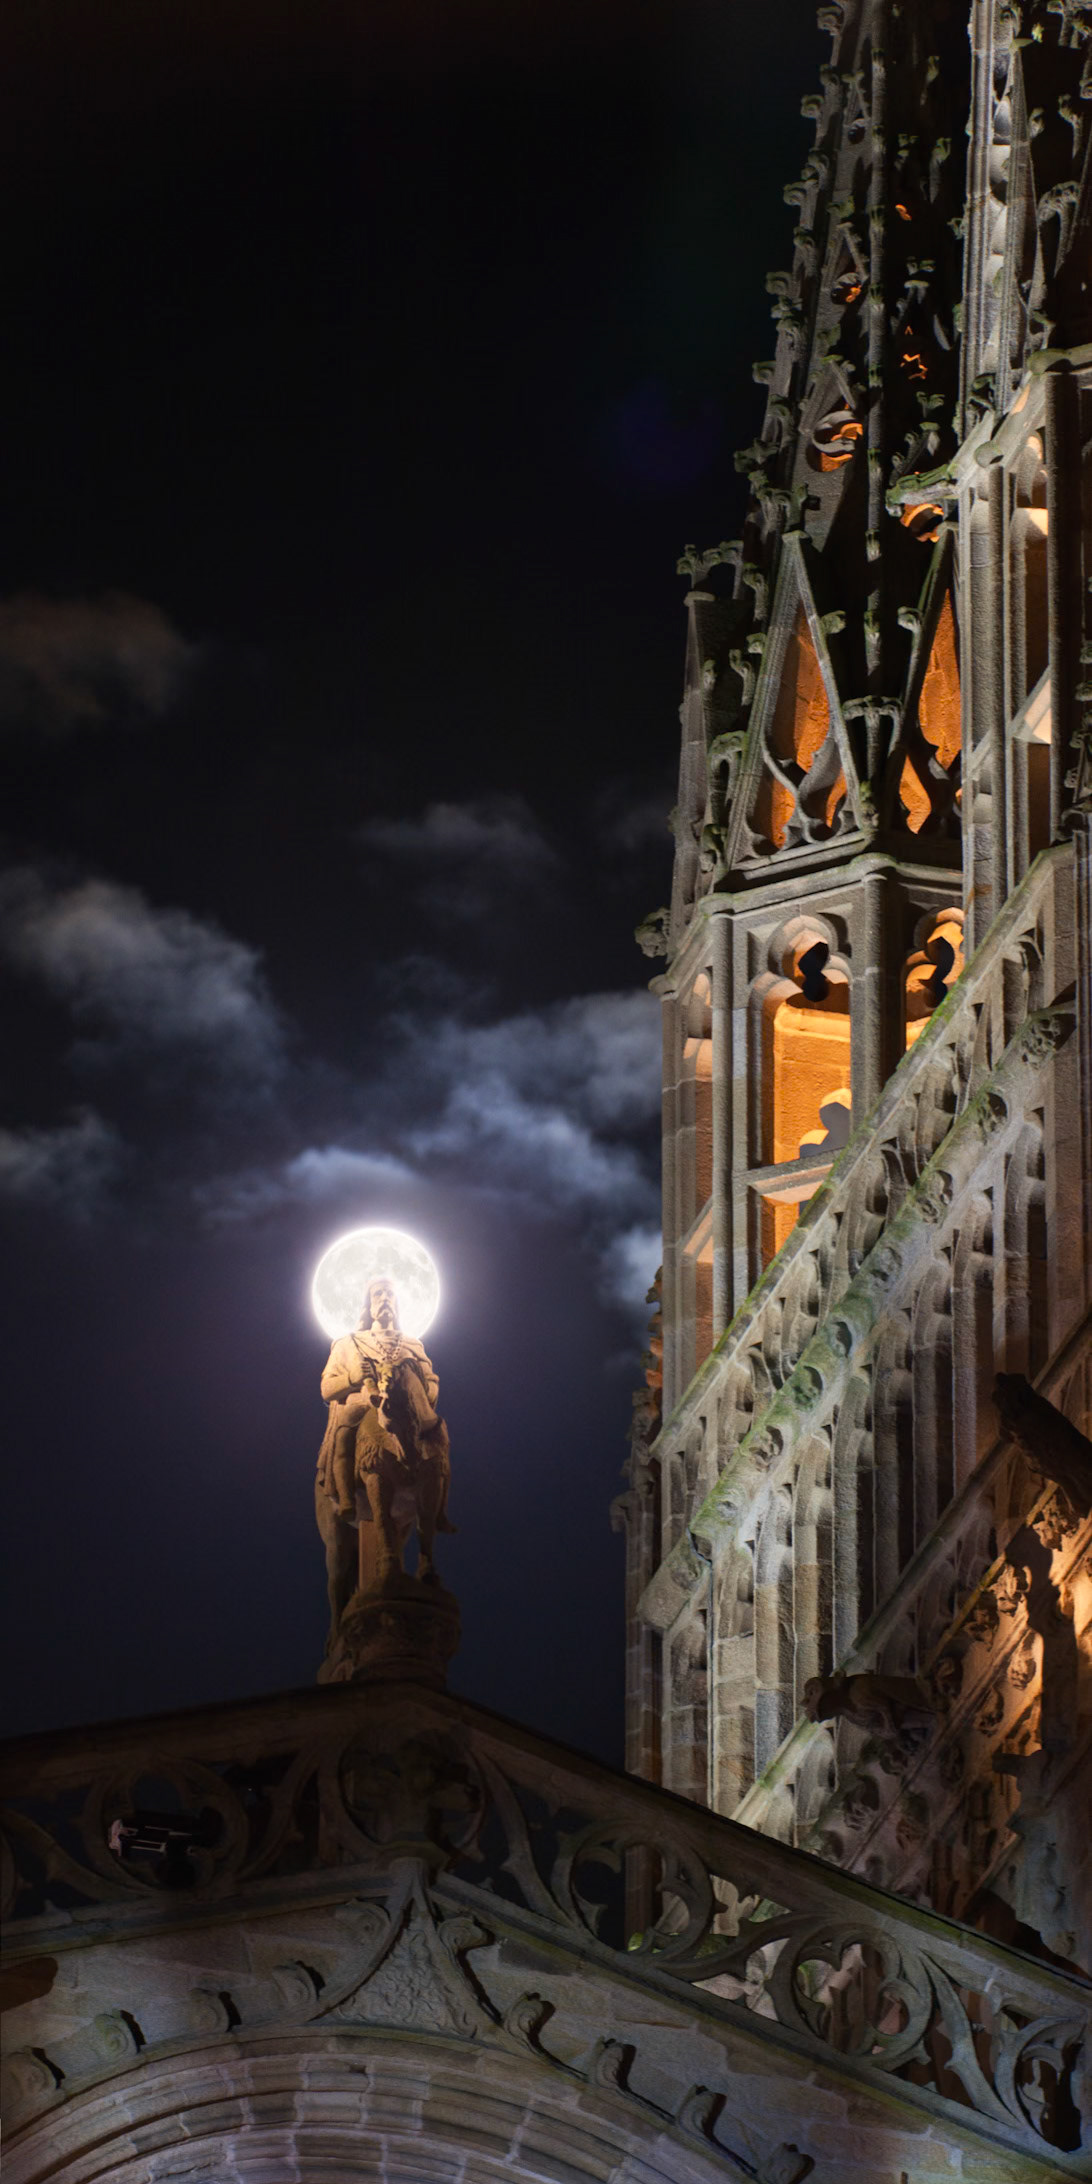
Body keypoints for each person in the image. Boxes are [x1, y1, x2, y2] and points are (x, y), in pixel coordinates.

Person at [316, 1277, 453, 1607]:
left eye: (390, 1293)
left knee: (438, 1439)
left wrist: (422, 1394)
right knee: (350, 1425)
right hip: (363, 1403)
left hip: (405, 1410)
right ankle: (346, 1495)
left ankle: (438, 1511)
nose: (385, 1299)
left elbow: (432, 1383)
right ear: (369, 1304)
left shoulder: (412, 1344)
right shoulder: (348, 1342)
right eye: (378, 1294)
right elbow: (328, 1388)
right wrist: (355, 1379)